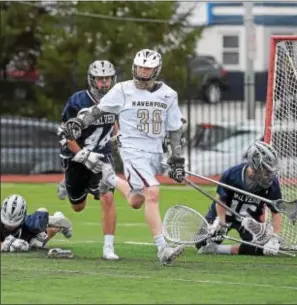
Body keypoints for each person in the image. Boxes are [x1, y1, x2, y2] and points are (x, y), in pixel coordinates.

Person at [61, 49, 186, 265]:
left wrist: (177, 160)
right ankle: (162, 249)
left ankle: (110, 177)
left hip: (154, 151)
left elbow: (175, 129)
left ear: (156, 70)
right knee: (153, 192)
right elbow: (99, 110)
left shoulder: (169, 94)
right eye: (140, 67)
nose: (143, 72)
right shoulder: (122, 89)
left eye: (147, 68)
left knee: (137, 200)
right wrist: (79, 123)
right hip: (132, 150)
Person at [57, 59, 121, 260]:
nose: (103, 83)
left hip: (103, 155)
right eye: (99, 79)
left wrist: (118, 139)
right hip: (76, 157)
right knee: (78, 207)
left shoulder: (118, 98)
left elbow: (115, 121)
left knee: (107, 197)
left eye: (107, 79)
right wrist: (84, 156)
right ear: (91, 80)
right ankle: (66, 185)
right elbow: (66, 136)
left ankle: (108, 247)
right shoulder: (77, 101)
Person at [196, 141, 283, 256]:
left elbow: (276, 212)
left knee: (257, 249)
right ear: (255, 165)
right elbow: (220, 200)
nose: (269, 174)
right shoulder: (232, 175)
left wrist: (274, 238)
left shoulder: (272, 184)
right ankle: (211, 244)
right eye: (266, 170)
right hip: (224, 214)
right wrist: (221, 222)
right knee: (201, 242)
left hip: (249, 222)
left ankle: (219, 249)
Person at [1, 194, 72, 252]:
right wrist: (4, 245)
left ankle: (58, 223)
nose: (10, 225)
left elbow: (43, 219)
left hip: (27, 231)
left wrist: (60, 222)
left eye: (14, 223)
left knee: (36, 243)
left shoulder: (29, 224)